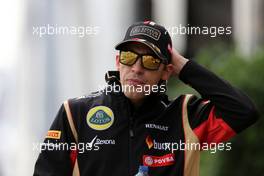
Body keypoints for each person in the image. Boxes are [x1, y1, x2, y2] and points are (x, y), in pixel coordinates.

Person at [33, 21, 259, 176]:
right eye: (129, 57)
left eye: (150, 61)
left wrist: (183, 66)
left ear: (166, 71)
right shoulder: (75, 113)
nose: (137, 68)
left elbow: (243, 111)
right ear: (118, 62)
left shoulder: (186, 117)